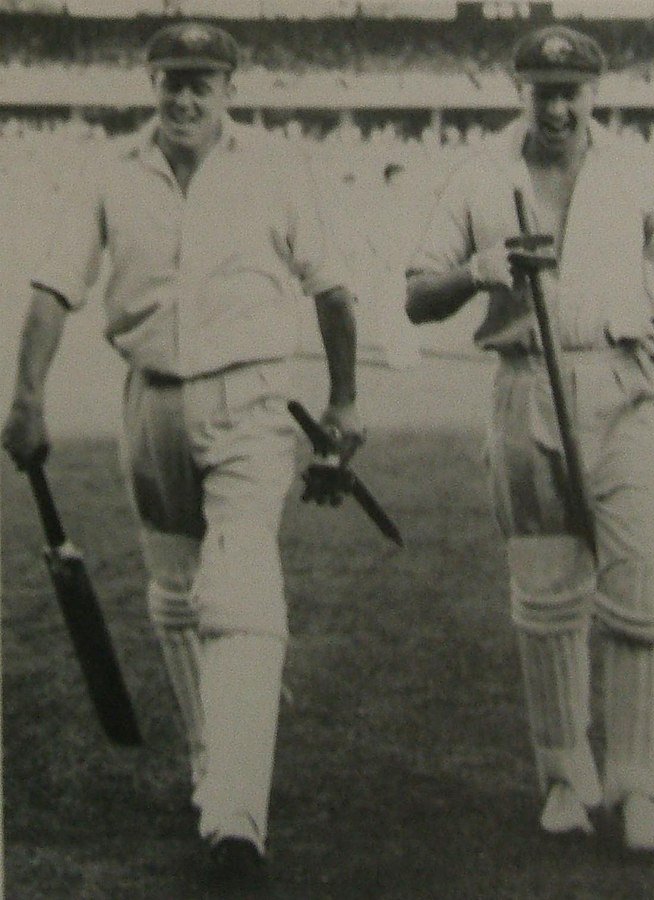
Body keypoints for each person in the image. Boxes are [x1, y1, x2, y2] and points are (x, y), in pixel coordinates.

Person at [1, 21, 364, 888]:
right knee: (175, 595)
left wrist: (346, 401)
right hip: (150, 399)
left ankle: (238, 813)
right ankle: (213, 759)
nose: (185, 96)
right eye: (171, 79)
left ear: (230, 87)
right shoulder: (110, 174)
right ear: (150, 83)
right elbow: (54, 289)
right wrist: (26, 395)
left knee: (239, 587)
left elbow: (334, 291)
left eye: (202, 81)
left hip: (251, 399)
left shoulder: (275, 168)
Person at [406, 25, 654, 854]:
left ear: (594, 94)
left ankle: (642, 786)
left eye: (572, 92)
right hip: (524, 388)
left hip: (622, 382)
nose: (558, 106)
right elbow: (415, 295)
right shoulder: (478, 175)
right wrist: (477, 271)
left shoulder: (639, 166)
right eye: (543, 91)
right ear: (519, 91)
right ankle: (567, 778)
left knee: (642, 588)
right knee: (545, 596)